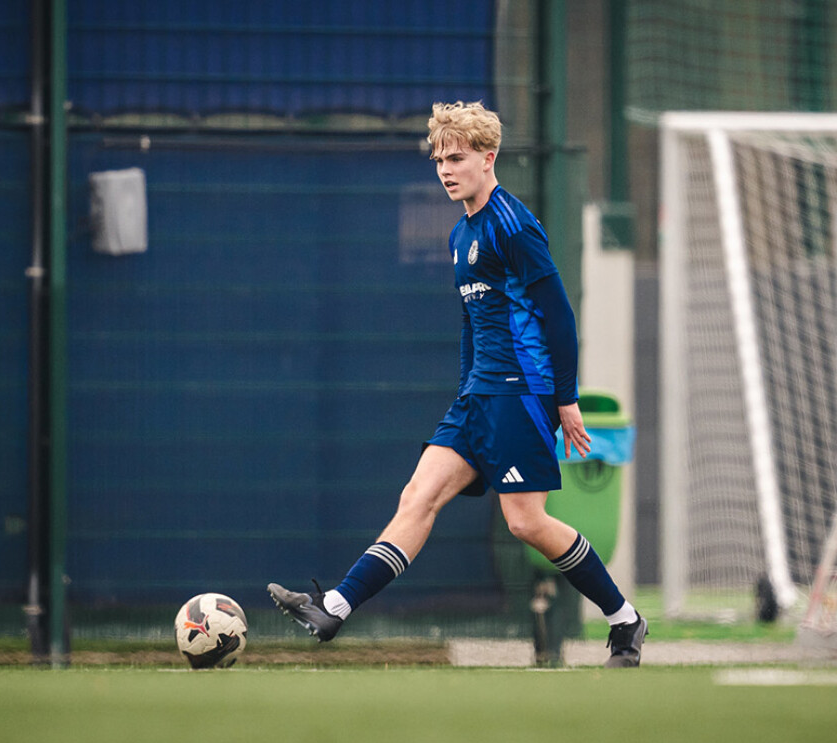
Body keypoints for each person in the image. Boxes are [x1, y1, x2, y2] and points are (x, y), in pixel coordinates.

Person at [267, 100, 646, 667]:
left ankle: (625, 621)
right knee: (417, 497)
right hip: (477, 398)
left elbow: (559, 316)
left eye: (457, 158)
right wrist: (467, 391)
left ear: (488, 158)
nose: (445, 169)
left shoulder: (513, 226)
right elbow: (473, 323)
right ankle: (334, 608)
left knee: (526, 522)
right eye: (439, 159)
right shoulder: (459, 235)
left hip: (522, 394)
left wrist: (564, 399)